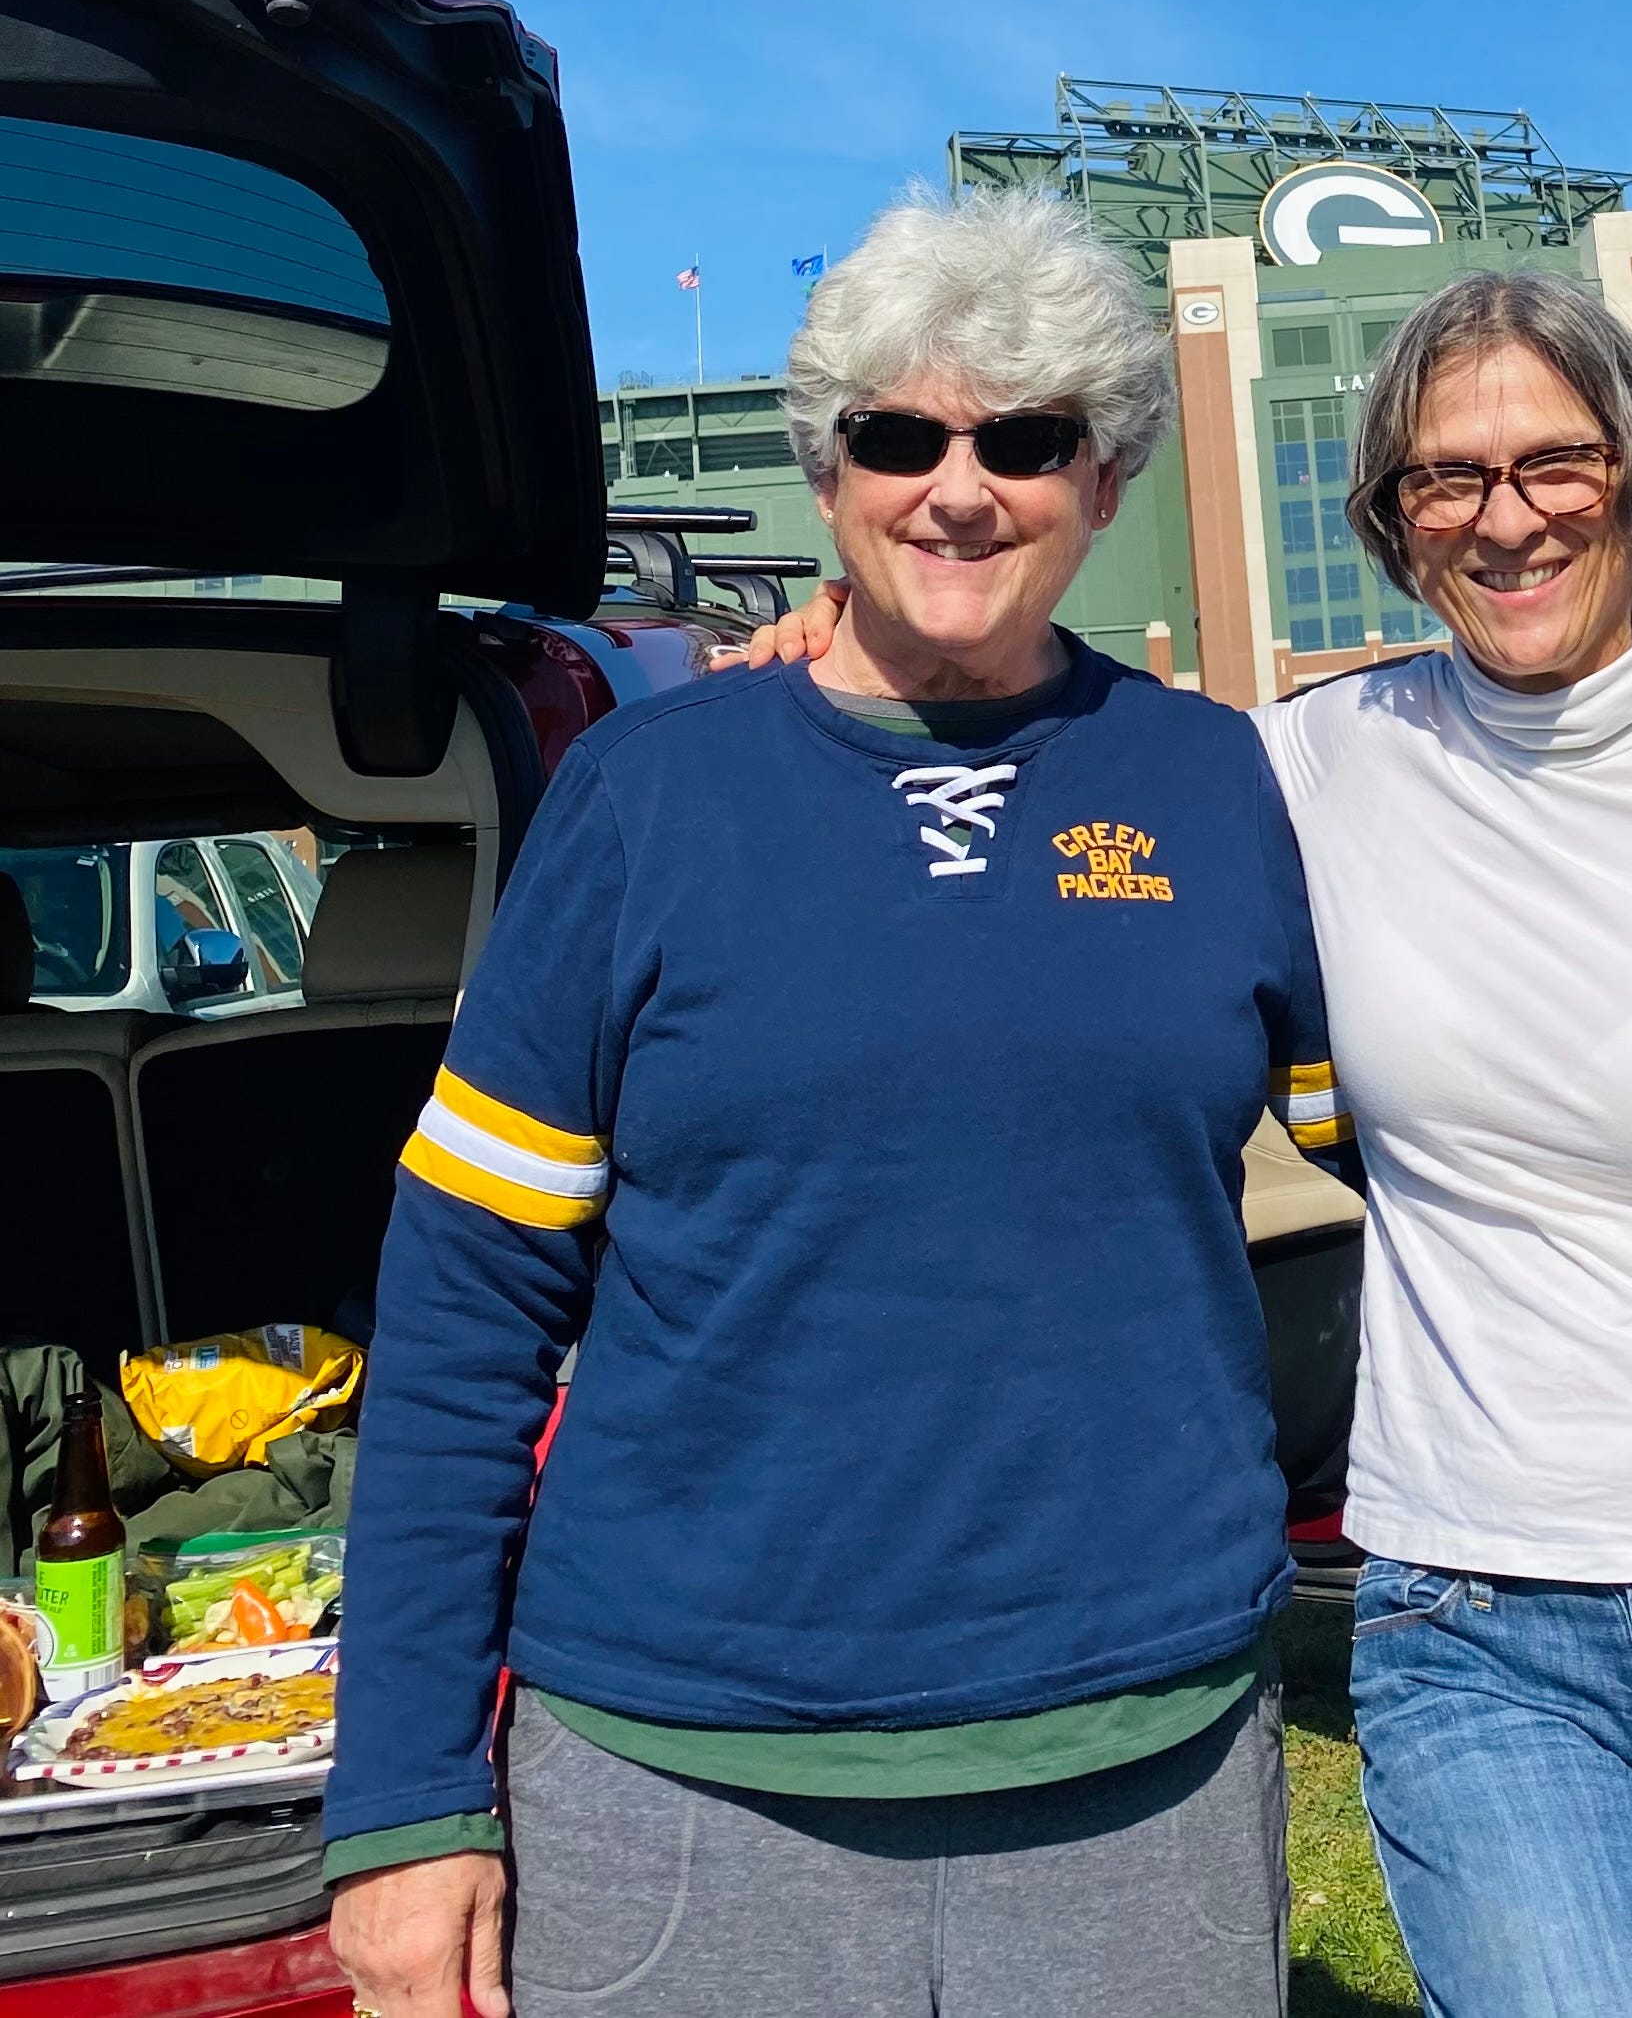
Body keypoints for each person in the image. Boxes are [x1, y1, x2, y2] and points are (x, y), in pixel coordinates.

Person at [762, 264, 1632, 2018]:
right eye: (1448, 478)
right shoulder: (1296, 770)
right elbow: (1027, 749)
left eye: (1556, 464)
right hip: (1490, 1623)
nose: (1507, 520)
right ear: (1392, 519)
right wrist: (827, 654)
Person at [326, 185, 1343, 2018]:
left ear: (1105, 481)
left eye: (1026, 439)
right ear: (829, 469)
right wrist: (404, 1798)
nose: (960, 487)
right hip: (688, 1772)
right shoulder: (645, 797)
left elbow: (1427, 1153)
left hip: (1143, 1763)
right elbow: (470, 1301)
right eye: (901, 434)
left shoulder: (1216, 786)